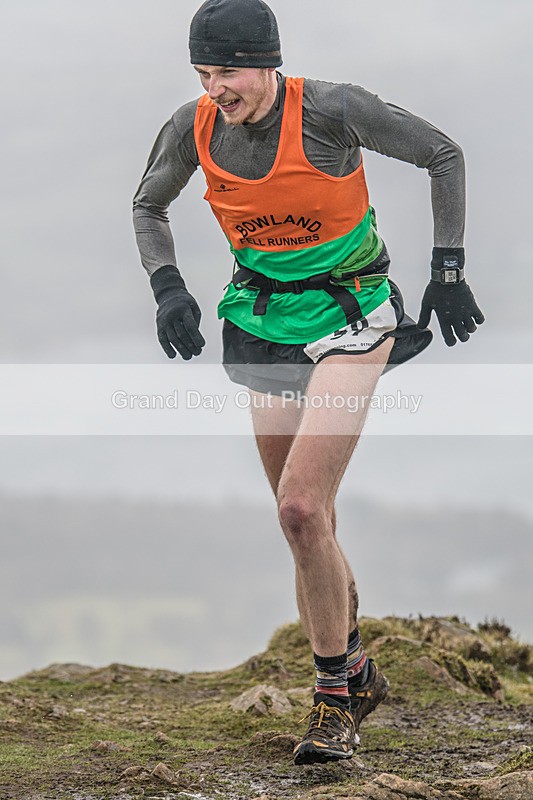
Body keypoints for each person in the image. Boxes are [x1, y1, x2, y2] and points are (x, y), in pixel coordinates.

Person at [132, 0, 484, 766]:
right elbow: (148, 205)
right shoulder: (193, 126)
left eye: (227, 71)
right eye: (203, 73)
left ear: (266, 62)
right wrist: (168, 288)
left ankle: (331, 705)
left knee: (298, 504)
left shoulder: (331, 109)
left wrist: (446, 269)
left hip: (351, 313)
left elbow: (442, 154)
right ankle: (355, 670)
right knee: (304, 523)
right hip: (262, 321)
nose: (215, 88)